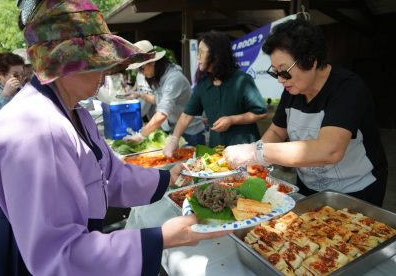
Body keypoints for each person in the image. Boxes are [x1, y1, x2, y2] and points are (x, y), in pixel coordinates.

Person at [0, 0, 230, 275]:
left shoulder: (74, 112)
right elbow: (59, 255)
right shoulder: (36, 131)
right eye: (98, 61)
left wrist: (170, 177)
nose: (106, 73)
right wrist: (162, 237)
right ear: (65, 63)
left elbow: (111, 175)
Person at [223, 18, 388, 207]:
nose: (280, 80)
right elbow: (277, 131)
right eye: (275, 72)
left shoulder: (347, 88)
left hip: (355, 190)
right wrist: (253, 163)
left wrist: (257, 151)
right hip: (308, 186)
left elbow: (330, 150)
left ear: (311, 60)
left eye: (284, 71)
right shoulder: (293, 90)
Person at [163, 30, 267, 157]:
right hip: (217, 151)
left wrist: (232, 120)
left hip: (245, 150)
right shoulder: (203, 85)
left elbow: (261, 113)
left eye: (201, 52)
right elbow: (186, 116)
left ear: (216, 55)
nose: (198, 57)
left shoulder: (242, 80)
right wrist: (174, 139)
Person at [124, 40, 206, 146]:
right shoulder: (159, 77)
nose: (141, 73)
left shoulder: (174, 79)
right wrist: (140, 94)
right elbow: (158, 100)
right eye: (138, 70)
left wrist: (141, 135)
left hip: (191, 132)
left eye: (141, 68)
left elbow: (162, 114)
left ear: (153, 62)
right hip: (174, 129)